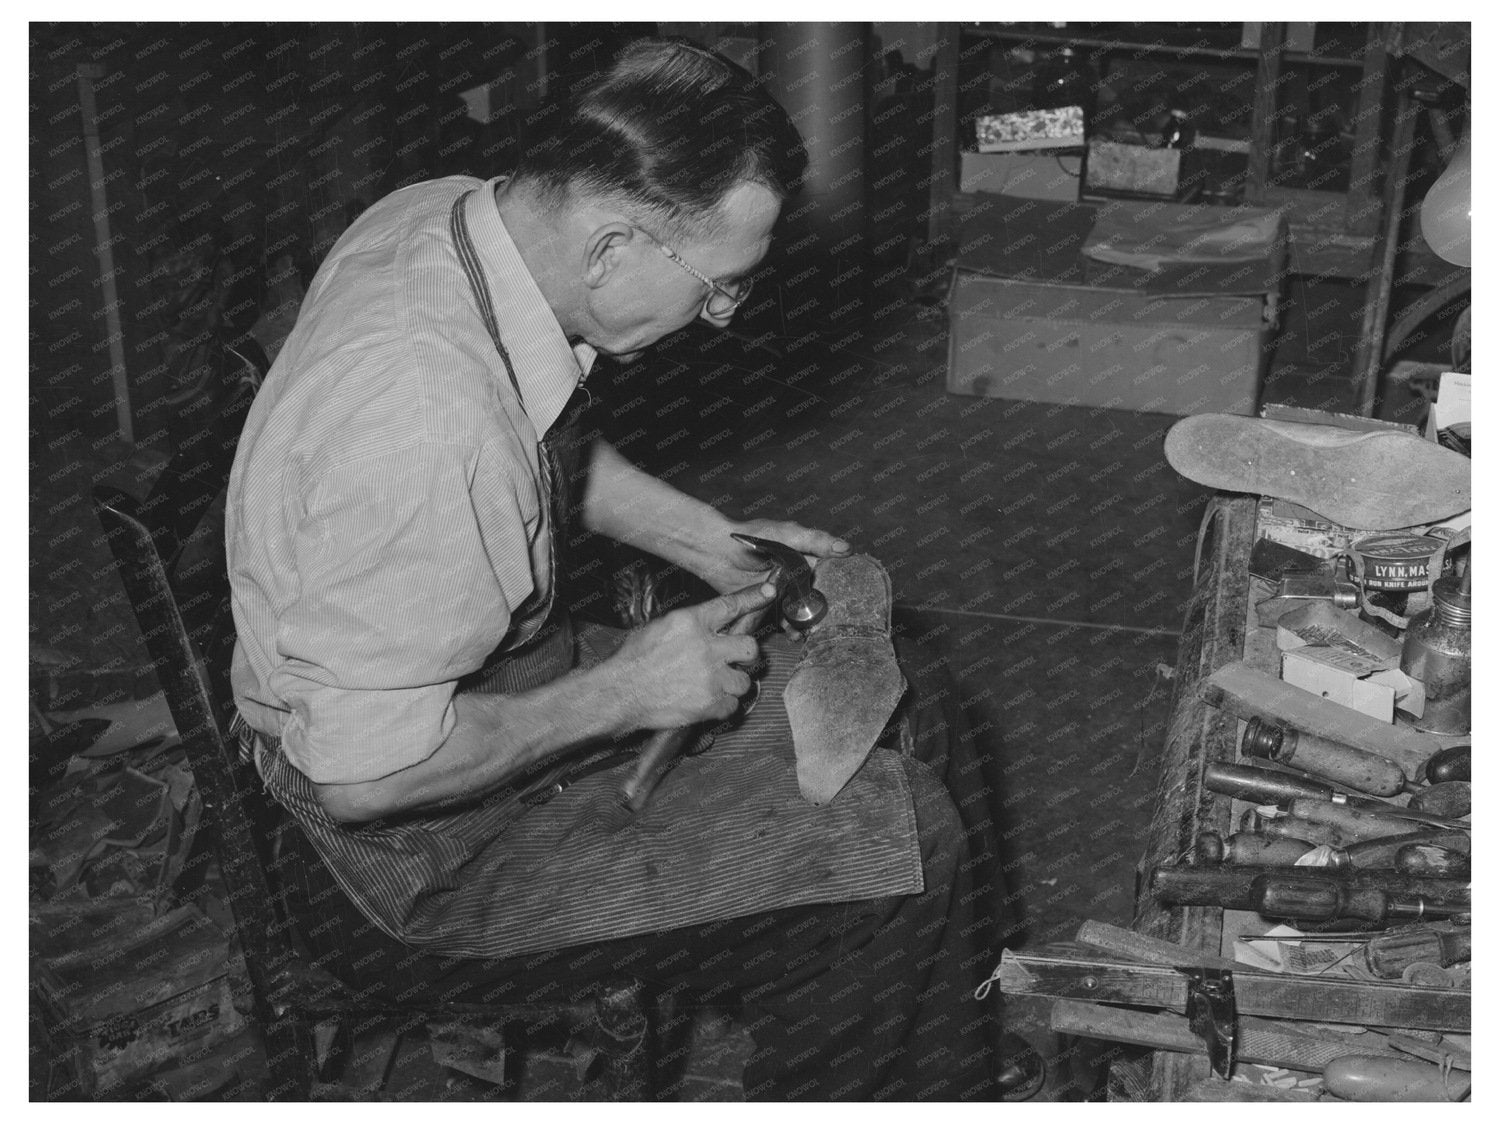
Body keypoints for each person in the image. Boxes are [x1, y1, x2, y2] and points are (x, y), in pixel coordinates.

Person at [226, 37, 1039, 1100]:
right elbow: (367, 774)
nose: (722, 316)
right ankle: (894, 1043)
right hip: (408, 863)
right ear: (611, 245)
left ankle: (933, 1046)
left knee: (912, 690)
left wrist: (709, 540)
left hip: (471, 697)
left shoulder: (456, 216)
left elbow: (533, 439)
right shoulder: (420, 417)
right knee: (900, 854)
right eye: (719, 287)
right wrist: (625, 691)